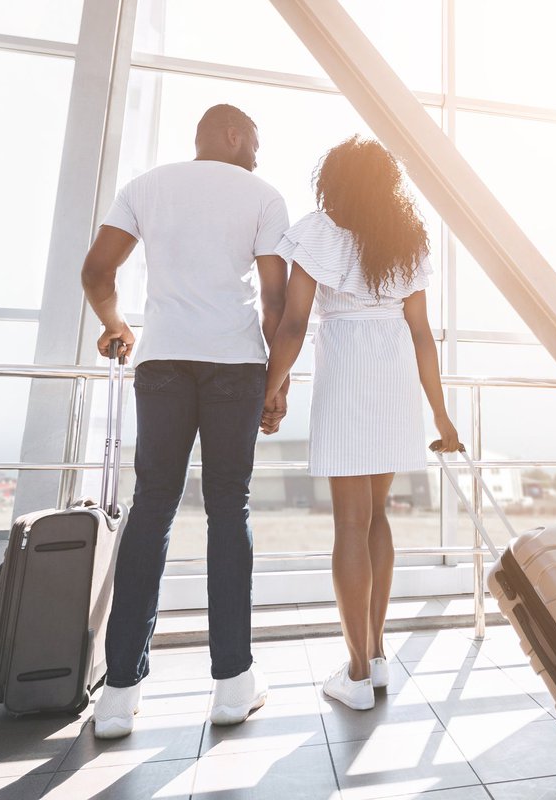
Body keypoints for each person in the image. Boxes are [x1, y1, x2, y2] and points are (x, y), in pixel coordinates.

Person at [81, 104, 291, 738]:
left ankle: (119, 692)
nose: (258, 150)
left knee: (153, 507)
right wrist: (275, 385)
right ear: (230, 134)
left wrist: (116, 326)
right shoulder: (263, 195)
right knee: (230, 508)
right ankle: (232, 685)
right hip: (235, 364)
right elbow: (276, 299)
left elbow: (96, 272)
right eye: (255, 138)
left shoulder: (146, 187)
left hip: (164, 359)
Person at [264, 136, 460, 711]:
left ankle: (354, 674)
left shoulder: (317, 231)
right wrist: (441, 415)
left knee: (349, 523)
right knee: (376, 517)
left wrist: (270, 389)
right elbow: (423, 333)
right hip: (395, 373)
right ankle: (374, 658)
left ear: (335, 180)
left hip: (348, 370)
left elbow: (295, 323)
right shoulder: (404, 240)